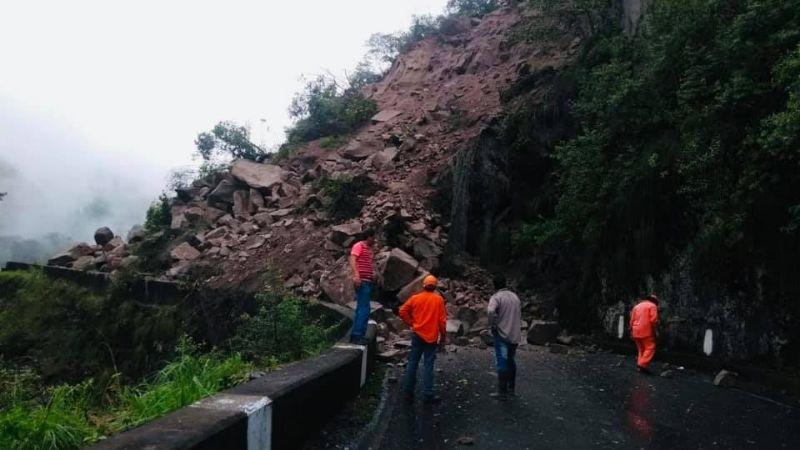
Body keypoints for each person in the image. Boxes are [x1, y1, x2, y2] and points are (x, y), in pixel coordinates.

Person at [399, 275, 447, 404]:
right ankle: (428, 394)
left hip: (417, 335)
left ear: (423, 285)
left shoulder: (416, 298)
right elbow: (442, 322)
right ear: (435, 287)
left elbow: (402, 311)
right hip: (431, 337)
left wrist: (411, 323)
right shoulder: (439, 300)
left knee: (412, 363)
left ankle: (408, 393)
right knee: (428, 366)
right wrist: (443, 337)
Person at [487, 274, 522, 400]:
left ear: (494, 285)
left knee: (502, 361)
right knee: (511, 361)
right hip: (515, 334)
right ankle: (511, 389)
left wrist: (492, 325)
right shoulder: (515, 297)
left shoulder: (496, 297)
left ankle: (502, 392)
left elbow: (491, 311)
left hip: (502, 334)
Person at [349, 229, 376, 344]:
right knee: (363, 308)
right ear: (368, 236)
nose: (374, 240)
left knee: (364, 308)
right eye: (373, 237)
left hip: (367, 281)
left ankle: (359, 334)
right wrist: (356, 275)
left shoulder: (368, 249)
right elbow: (353, 259)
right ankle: (357, 335)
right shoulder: (358, 245)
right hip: (362, 281)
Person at [630, 294, 659, 373]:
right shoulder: (652, 306)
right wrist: (656, 331)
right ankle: (642, 364)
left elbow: (632, 320)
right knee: (650, 347)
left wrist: (631, 331)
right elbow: (653, 320)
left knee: (641, 349)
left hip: (635, 330)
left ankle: (640, 367)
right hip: (646, 330)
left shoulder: (637, 306)